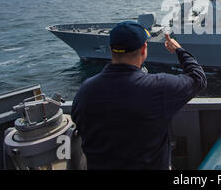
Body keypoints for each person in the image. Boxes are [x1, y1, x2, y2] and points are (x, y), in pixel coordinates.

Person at [71, 21, 207, 170]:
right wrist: (179, 50)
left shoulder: (85, 92)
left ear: (111, 49)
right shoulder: (158, 88)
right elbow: (198, 79)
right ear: (144, 49)